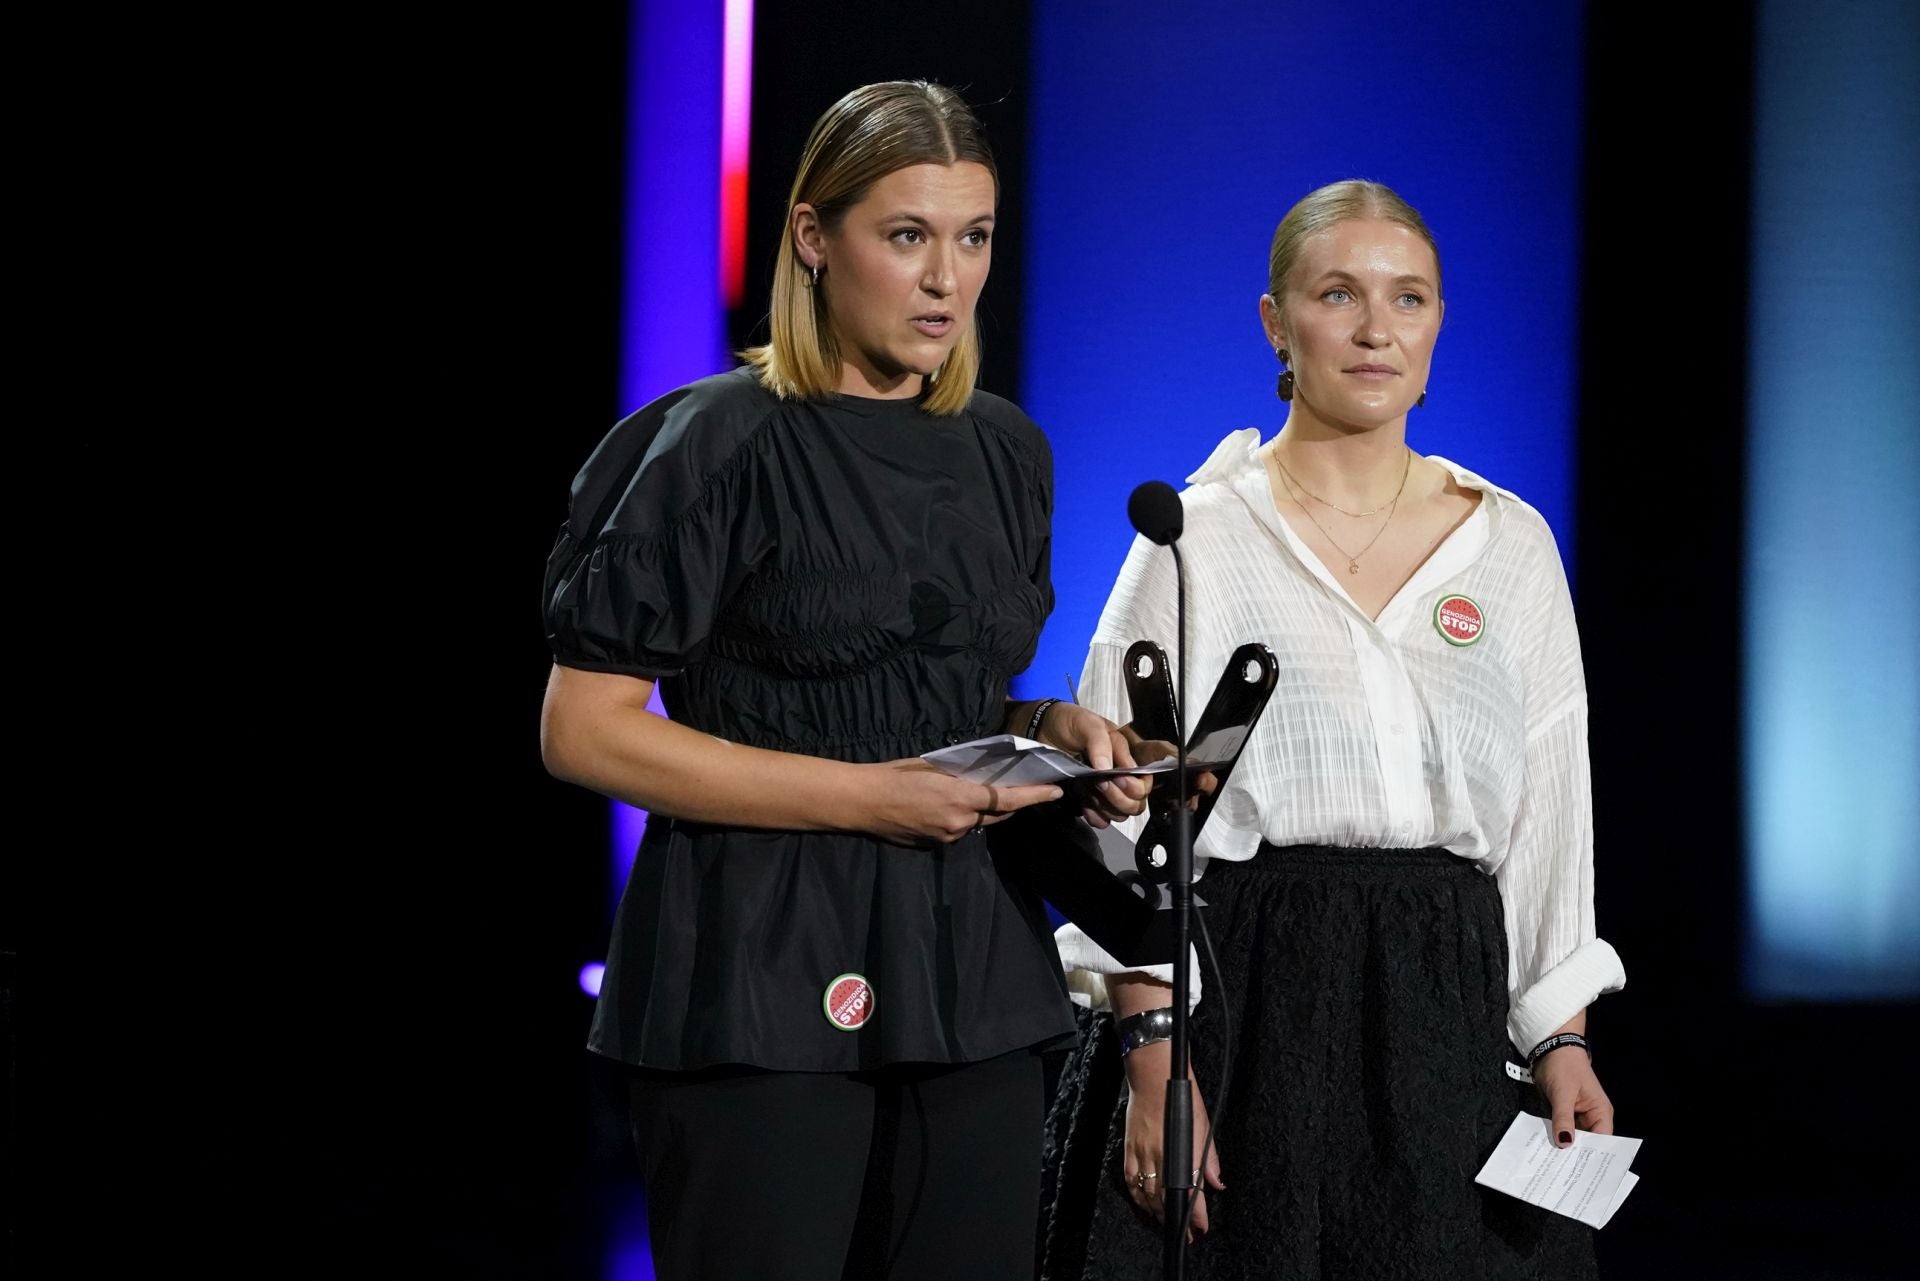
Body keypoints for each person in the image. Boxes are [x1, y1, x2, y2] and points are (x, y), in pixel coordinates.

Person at [540, 81, 1145, 1281]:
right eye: (907, 236)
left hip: (970, 966)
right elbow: (585, 732)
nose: (946, 279)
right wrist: (870, 797)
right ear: (815, 239)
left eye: (972, 238)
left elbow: (941, 697)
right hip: (757, 963)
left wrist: (1049, 730)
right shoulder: (718, 441)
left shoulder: (1006, 451)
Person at [1041, 180, 1626, 1281]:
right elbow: (1117, 833)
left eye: (1408, 299)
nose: (1375, 329)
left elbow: (1553, 815)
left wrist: (1561, 1036)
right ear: (1276, 321)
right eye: (1338, 295)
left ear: (1439, 323)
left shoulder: (1510, 546)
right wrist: (1157, 1062)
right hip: (1241, 997)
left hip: (1442, 1017)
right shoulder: (1196, 539)